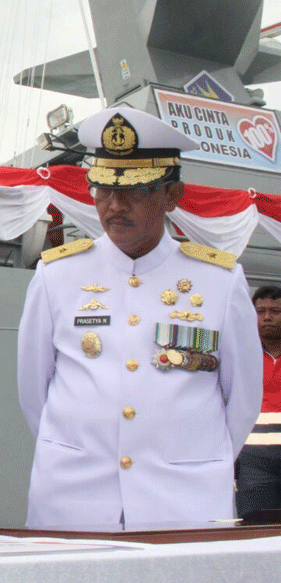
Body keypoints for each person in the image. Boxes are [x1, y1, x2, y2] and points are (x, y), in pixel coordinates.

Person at [18, 105, 262, 530]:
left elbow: (241, 401)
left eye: (134, 191)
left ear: (172, 195)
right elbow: (34, 391)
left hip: (184, 501)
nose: (115, 206)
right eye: (102, 190)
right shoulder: (56, 275)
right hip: (75, 497)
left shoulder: (220, 281)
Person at [235, 285, 281, 518]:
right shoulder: (239, 352)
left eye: (275, 311)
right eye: (261, 312)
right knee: (256, 525)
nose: (267, 317)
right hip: (254, 459)